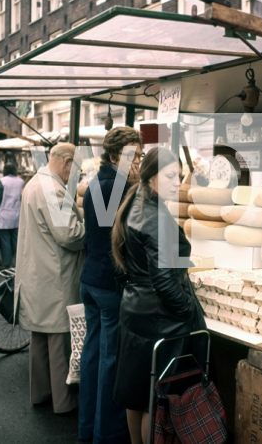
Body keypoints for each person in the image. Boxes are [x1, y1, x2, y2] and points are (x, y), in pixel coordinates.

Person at [111, 147, 206, 444]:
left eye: (178, 176)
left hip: (135, 308)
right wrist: (189, 309)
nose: (177, 182)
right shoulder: (155, 217)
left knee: (136, 393)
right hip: (158, 318)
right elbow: (164, 283)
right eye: (169, 176)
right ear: (151, 177)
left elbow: (126, 266)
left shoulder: (133, 202)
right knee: (156, 399)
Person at [78, 127, 142, 444]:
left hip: (90, 281)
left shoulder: (96, 183)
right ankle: (107, 436)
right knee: (110, 360)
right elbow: (126, 239)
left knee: (91, 357)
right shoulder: (119, 186)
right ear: (116, 155)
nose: (138, 162)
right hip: (109, 285)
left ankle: (87, 428)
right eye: (133, 155)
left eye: (141, 155)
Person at [15, 143, 86, 414]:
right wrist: (86, 228)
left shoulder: (35, 183)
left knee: (40, 340)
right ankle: (63, 402)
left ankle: (41, 394)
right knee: (59, 341)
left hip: (37, 273)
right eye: (75, 167)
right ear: (66, 162)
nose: (74, 174)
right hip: (54, 277)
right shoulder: (53, 189)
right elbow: (69, 235)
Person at [0, 163, 25, 269]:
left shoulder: (2, 181)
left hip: (4, 214)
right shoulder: (21, 181)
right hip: (17, 213)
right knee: (16, 239)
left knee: (5, 240)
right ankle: (18, 263)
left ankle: (7, 263)